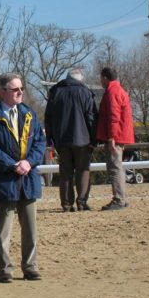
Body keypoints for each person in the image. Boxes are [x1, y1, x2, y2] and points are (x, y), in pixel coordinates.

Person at [0, 73, 46, 283]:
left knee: (31, 229)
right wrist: (12, 164)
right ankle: (5, 269)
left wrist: (28, 162)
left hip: (28, 177)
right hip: (3, 179)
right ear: (1, 91)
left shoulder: (29, 114)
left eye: (21, 88)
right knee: (3, 230)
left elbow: (39, 143)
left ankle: (30, 266)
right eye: (16, 89)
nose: (20, 92)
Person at [44, 68, 98, 212]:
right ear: (80, 80)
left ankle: (67, 204)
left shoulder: (55, 92)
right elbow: (91, 118)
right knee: (83, 171)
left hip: (61, 140)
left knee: (65, 173)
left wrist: (50, 139)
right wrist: (94, 139)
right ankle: (82, 201)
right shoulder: (85, 92)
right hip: (82, 139)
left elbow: (48, 118)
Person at [96, 67, 135, 211]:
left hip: (115, 136)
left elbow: (114, 116)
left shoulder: (112, 92)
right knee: (117, 166)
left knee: (114, 167)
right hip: (121, 135)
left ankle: (119, 199)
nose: (100, 80)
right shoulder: (120, 90)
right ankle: (122, 197)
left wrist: (111, 136)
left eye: (101, 78)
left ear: (105, 77)